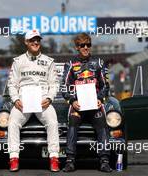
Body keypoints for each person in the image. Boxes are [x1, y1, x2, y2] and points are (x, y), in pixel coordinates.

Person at [7, 29, 60, 172]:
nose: (35, 42)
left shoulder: (49, 62)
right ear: (26, 42)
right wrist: (16, 99)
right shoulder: (18, 61)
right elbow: (12, 84)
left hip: (43, 100)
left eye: (38, 40)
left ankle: (54, 158)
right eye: (32, 40)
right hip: (23, 101)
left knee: (53, 122)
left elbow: (54, 84)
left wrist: (49, 98)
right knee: (12, 122)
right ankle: (14, 158)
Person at [62, 32, 112, 172]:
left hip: (94, 105)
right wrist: (72, 101)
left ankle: (104, 161)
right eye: (82, 45)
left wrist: (100, 99)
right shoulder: (70, 64)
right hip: (78, 105)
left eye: (88, 45)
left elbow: (105, 86)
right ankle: (70, 161)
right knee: (72, 124)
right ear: (77, 47)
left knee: (103, 124)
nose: (85, 47)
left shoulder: (99, 63)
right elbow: (64, 87)